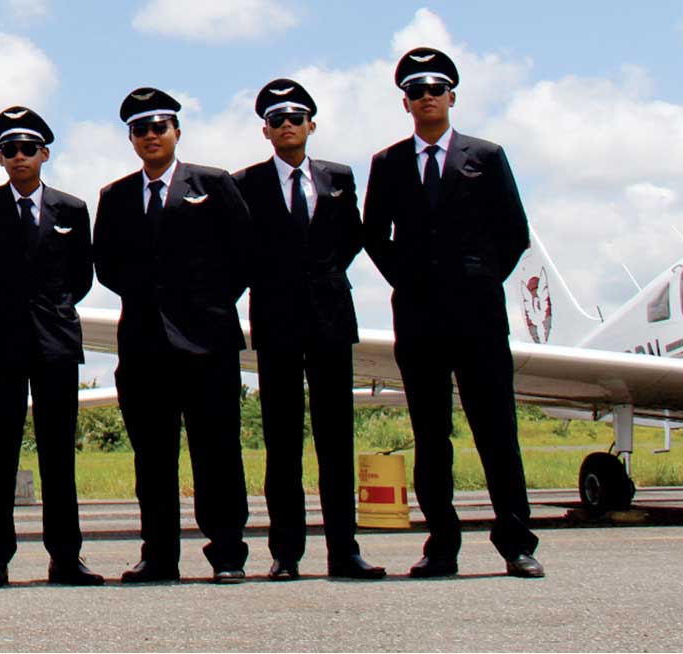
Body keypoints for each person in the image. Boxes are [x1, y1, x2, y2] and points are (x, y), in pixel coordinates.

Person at [363, 47, 542, 579]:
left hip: (479, 316)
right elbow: (374, 236)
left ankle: (516, 543)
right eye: (416, 92)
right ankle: (441, 544)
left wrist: (481, 278)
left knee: (496, 431)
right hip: (418, 318)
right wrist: (410, 280)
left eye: (435, 89)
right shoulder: (389, 164)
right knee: (431, 433)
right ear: (405, 102)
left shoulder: (485, 156)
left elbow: (514, 232)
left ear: (452, 96)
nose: (427, 99)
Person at [92, 87, 253, 584]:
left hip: (208, 346)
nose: (150, 137)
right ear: (131, 139)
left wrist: (201, 303)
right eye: (140, 130)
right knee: (153, 459)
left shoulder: (214, 183)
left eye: (158, 127)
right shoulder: (115, 197)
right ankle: (158, 555)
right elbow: (106, 266)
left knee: (218, 454)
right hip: (144, 348)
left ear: (176, 132)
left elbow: (244, 254)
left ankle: (227, 553)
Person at [232, 80, 385, 581]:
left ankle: (345, 550)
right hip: (276, 323)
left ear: (311, 125)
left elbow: (351, 240)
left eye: (296, 117)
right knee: (282, 443)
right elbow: (242, 252)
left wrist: (318, 279)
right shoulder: (246, 183)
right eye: (277, 120)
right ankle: (286, 554)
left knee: (336, 440)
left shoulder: (338, 177)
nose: (287, 126)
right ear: (265, 131)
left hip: (330, 321)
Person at [0, 106, 102, 588]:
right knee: (0, 453)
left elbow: (81, 277)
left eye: (28, 149)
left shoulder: (72, 209)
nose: (19, 157)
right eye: (9, 150)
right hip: (1, 343)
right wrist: (1, 306)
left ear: (45, 154)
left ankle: (66, 557)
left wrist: (50, 308)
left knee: (59, 454)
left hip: (56, 344)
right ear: (0, 158)